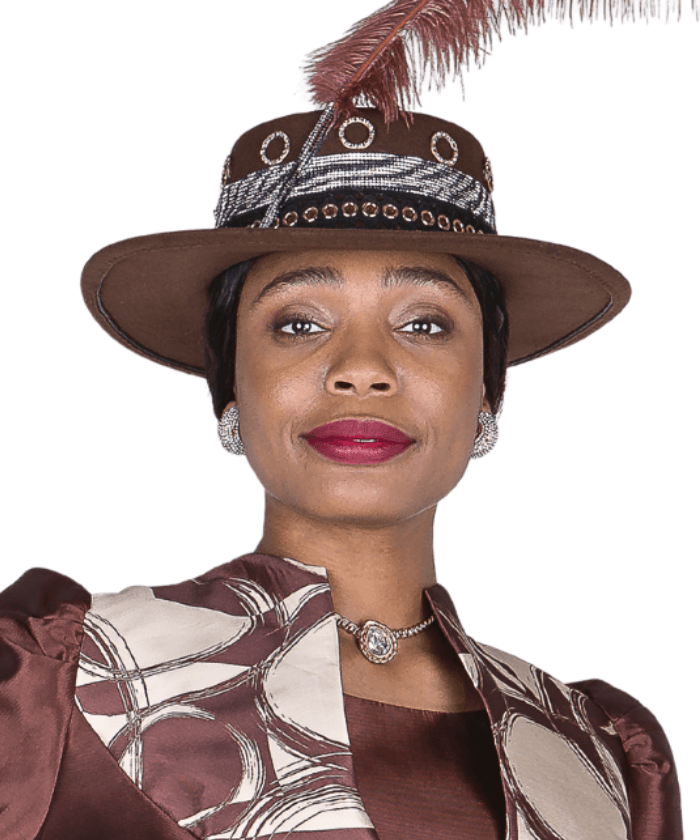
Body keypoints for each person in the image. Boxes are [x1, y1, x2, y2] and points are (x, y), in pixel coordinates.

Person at [0, 3, 693, 840]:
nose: (362, 368)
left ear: (487, 392)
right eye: (299, 323)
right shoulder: (55, 682)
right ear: (229, 386)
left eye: (425, 323)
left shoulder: (601, 757)